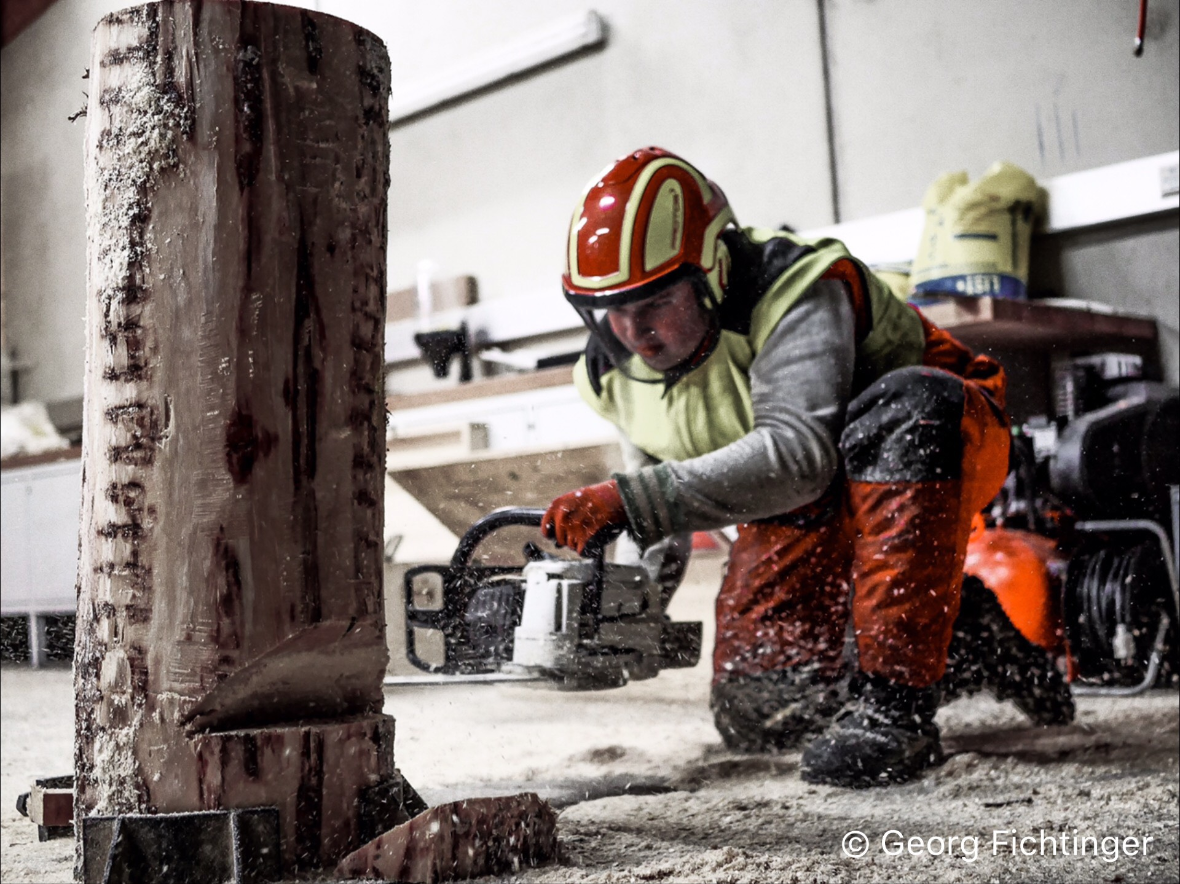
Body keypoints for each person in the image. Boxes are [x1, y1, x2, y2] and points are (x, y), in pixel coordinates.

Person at [541, 147, 1072, 787]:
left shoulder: (799, 286)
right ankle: (969, 640)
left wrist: (630, 499)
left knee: (902, 407)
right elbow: (662, 512)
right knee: (763, 705)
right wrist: (631, 615)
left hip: (938, 443)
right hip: (802, 493)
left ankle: (895, 709)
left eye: (653, 303)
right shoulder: (610, 373)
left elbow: (797, 455)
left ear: (710, 272)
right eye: (610, 310)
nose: (630, 330)